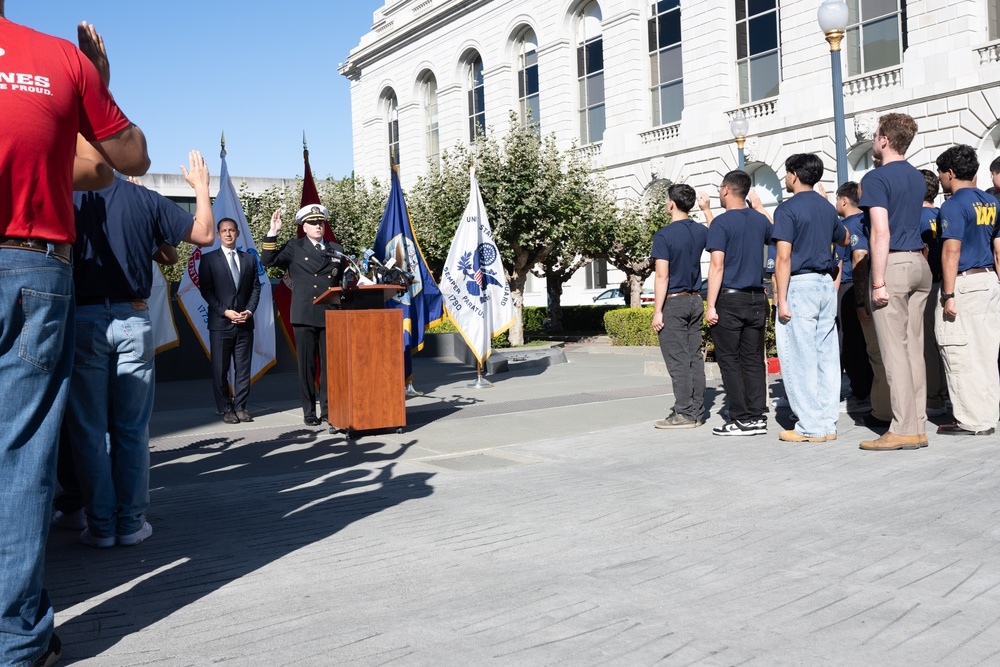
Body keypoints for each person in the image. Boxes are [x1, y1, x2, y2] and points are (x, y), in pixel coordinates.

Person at [0, 8, 149, 666]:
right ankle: (14, 638)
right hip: (32, 264)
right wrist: (96, 80)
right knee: (23, 455)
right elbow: (119, 161)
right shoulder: (55, 60)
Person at [67, 150, 215, 552]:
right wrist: (201, 187)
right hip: (134, 318)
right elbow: (204, 234)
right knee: (132, 429)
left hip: (83, 317)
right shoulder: (144, 199)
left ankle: (100, 525)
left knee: (90, 431)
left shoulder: (67, 194)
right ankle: (131, 523)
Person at [858, 113, 932, 451]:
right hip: (919, 263)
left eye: (876, 134)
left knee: (894, 352)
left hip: (894, 264)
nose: (874, 139)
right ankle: (916, 426)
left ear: (885, 139)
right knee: (914, 350)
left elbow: (880, 231)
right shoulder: (917, 177)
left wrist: (877, 282)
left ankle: (902, 428)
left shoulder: (876, 178)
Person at [771, 154, 849, 443]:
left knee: (798, 356)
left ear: (794, 175)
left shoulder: (787, 209)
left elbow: (783, 257)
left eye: (787, 173)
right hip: (825, 284)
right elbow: (845, 237)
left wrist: (782, 298)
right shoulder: (827, 208)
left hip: (800, 285)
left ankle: (810, 426)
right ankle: (827, 424)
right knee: (826, 357)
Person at [933, 144, 1000, 435]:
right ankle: (988, 415)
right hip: (988, 280)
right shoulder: (992, 202)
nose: (939, 179)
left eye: (940, 173)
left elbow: (951, 251)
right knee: (986, 353)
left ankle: (973, 420)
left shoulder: (953, 205)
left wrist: (948, 295)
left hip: (963, 283)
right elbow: (998, 247)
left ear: (950, 173)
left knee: (959, 351)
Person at [261, 205, 345, 425]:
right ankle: (309, 412)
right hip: (305, 313)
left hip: (330, 314)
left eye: (321, 223)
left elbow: (345, 279)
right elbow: (267, 261)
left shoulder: (336, 248)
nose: (318, 226)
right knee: (307, 367)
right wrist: (273, 232)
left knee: (329, 368)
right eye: (313, 223)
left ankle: (328, 411)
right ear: (304, 227)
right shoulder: (295, 247)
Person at [705, 170, 773, 436]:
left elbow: (716, 266)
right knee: (754, 359)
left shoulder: (721, 224)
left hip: (730, 299)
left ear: (725, 190)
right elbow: (778, 235)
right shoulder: (759, 220)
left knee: (729, 360)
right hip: (758, 297)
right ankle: (756, 416)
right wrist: (760, 208)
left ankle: (740, 417)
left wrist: (710, 305)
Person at [651, 183, 709, 429]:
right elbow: (717, 234)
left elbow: (662, 276)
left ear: (672, 203)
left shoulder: (664, 235)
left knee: (678, 359)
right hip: (696, 300)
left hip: (674, 302)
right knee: (694, 357)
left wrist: (657, 311)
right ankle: (696, 410)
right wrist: (707, 211)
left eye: (667, 200)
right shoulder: (700, 231)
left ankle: (684, 413)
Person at [199, 218, 262, 424]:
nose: (228, 234)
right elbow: (206, 291)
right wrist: (225, 312)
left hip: (245, 323)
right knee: (220, 369)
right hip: (220, 324)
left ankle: (241, 407)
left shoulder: (249, 259)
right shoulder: (209, 260)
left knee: (243, 368)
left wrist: (249, 311)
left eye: (232, 230)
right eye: (224, 231)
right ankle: (226, 408)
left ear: (237, 233)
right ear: (218, 235)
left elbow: (255, 288)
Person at [835, 182, 886, 420]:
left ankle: (861, 393)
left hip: (850, 286)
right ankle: (867, 390)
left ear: (843, 201)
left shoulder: (849, 225)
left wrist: (857, 300)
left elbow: (857, 258)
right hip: (867, 284)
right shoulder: (868, 219)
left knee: (851, 344)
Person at [918, 169, 948, 417]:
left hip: (926, 286)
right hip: (948, 285)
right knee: (945, 342)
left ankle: (934, 397)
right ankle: (946, 393)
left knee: (927, 343)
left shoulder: (914, 217)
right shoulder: (942, 213)